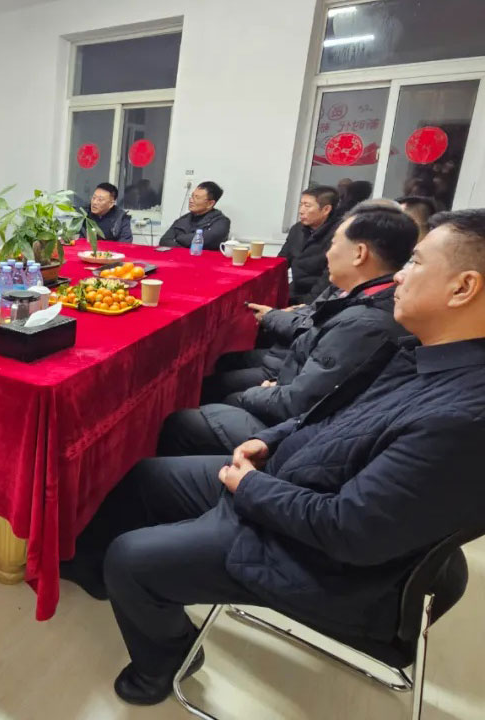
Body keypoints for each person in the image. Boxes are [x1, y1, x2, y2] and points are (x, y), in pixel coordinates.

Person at [61, 208, 485, 706]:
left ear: (463, 288)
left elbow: (349, 532)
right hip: (293, 478)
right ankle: (96, 570)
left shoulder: (462, 418)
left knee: (130, 557)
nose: (400, 276)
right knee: (146, 478)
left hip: (316, 552)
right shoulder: (423, 353)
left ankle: (164, 662)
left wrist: (250, 486)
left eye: (416, 262)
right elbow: (327, 410)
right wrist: (273, 440)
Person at [159, 205, 417, 456]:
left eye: (334, 245)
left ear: (359, 254)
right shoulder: (366, 298)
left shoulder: (363, 322)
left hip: (299, 438)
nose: (327, 254)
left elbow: (300, 401)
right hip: (294, 389)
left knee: (187, 420)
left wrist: (267, 391)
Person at [280, 186, 341, 304]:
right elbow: (282, 261)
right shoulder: (297, 229)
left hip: (322, 297)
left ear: (326, 209)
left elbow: (329, 277)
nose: (301, 210)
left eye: (307, 206)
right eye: (301, 205)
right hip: (296, 290)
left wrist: (306, 305)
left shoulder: (339, 234)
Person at [158, 181, 230, 251]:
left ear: (210, 204)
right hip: (180, 258)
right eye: (192, 196)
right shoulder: (183, 219)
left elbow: (202, 241)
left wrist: (179, 238)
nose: (191, 200)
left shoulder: (221, 222)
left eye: (197, 198)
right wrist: (186, 251)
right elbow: (164, 241)